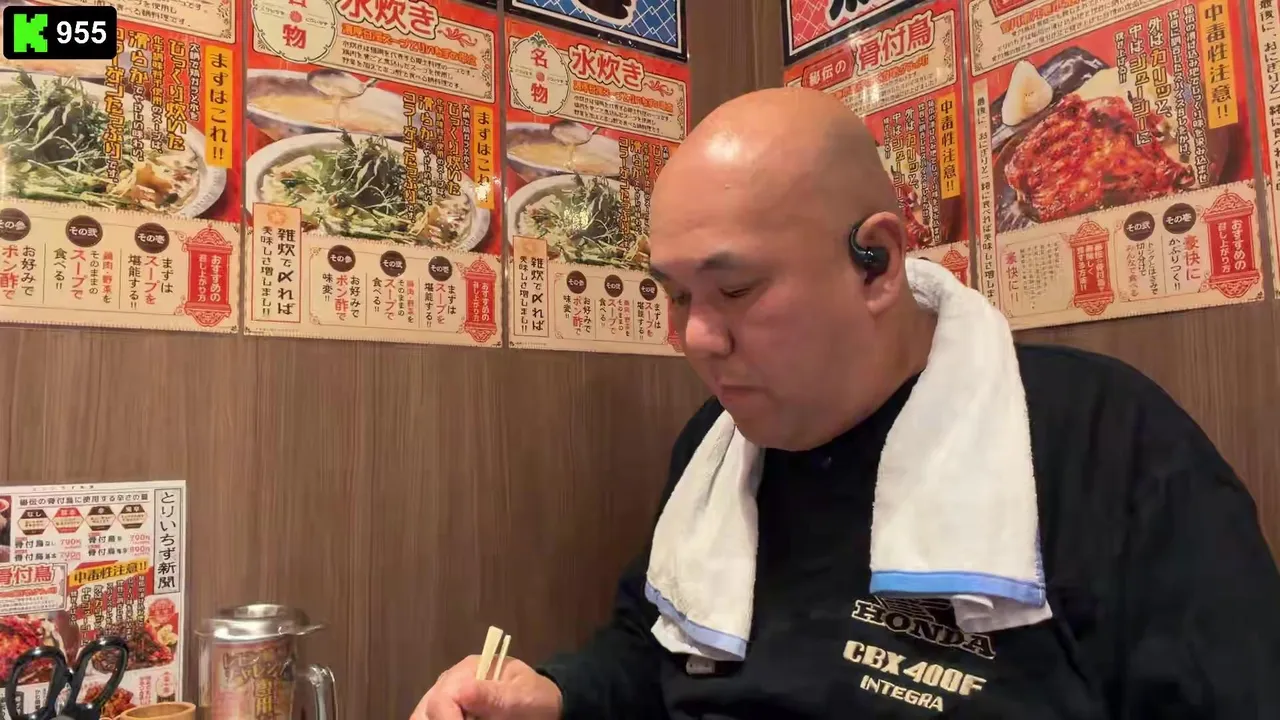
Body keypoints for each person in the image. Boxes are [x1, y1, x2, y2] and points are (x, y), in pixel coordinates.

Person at [413, 88, 1280, 718]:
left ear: (878, 262)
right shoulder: (719, 444)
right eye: (675, 296)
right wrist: (556, 695)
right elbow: (658, 648)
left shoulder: (1099, 441)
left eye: (735, 289)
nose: (695, 337)